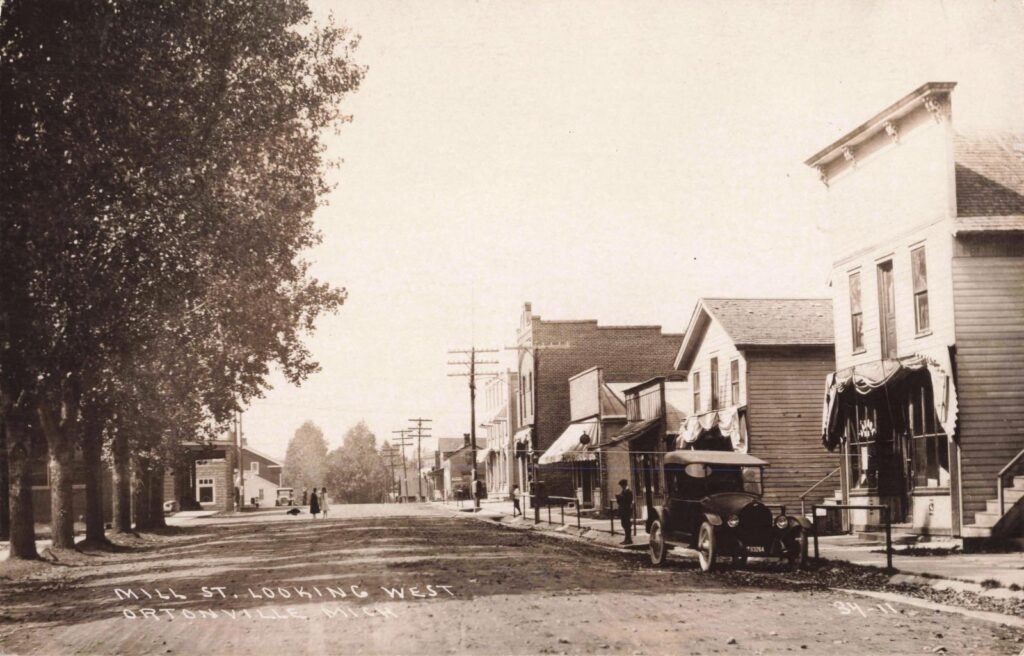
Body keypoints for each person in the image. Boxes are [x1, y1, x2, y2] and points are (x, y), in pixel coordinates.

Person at [615, 479, 634, 545]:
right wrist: (618, 498)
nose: (621, 487)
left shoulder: (628, 491)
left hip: (626, 510)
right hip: (623, 510)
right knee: (624, 524)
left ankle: (628, 539)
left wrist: (620, 497)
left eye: (622, 485)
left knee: (627, 525)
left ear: (624, 485)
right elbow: (620, 502)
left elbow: (628, 501)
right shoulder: (624, 491)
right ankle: (627, 539)